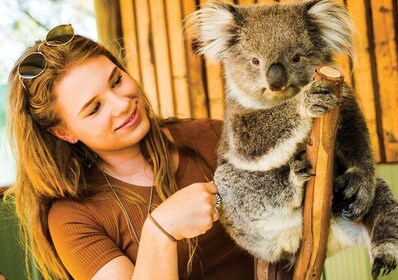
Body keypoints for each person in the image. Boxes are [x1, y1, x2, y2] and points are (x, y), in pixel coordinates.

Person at [5, 24, 254, 280]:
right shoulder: (73, 217)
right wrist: (160, 233)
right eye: (94, 109)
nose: (122, 104)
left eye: (116, 81)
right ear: (64, 133)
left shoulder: (210, 136)